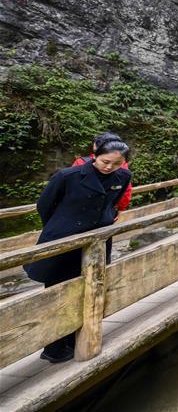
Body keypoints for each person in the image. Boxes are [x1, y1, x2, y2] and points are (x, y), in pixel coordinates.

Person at [25, 140, 132, 363]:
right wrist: (62, 226)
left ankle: (76, 339)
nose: (109, 167)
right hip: (64, 241)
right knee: (59, 293)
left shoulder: (123, 177)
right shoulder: (68, 176)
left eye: (116, 163)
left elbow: (112, 203)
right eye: (105, 161)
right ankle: (53, 347)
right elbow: (44, 205)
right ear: (95, 155)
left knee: (90, 288)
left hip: (96, 242)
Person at [72, 132, 132, 212]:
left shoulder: (81, 162)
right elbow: (125, 192)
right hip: (105, 210)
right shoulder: (121, 165)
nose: (109, 167)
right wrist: (120, 208)